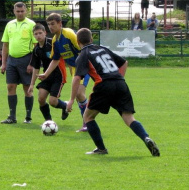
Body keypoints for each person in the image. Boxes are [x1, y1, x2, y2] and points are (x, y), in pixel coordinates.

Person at [66, 28, 160, 156]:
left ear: (77, 41)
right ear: (91, 39)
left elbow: (77, 78)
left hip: (104, 85)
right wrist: (119, 79)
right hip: (120, 83)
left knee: (88, 117)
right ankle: (146, 138)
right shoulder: (103, 49)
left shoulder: (83, 55)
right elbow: (124, 62)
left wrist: (71, 100)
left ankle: (101, 149)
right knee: (129, 117)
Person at [38, 13, 90, 132]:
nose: (50, 27)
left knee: (80, 93)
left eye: (53, 24)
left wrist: (85, 65)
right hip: (75, 68)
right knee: (79, 95)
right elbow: (55, 59)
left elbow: (84, 48)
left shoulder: (69, 34)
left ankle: (88, 123)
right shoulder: (56, 40)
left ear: (60, 24)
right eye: (49, 25)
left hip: (85, 65)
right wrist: (46, 74)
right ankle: (87, 123)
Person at [0, 2, 36, 124]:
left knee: (27, 89)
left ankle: (28, 117)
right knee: (10, 87)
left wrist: (32, 63)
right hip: (11, 60)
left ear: (26, 11)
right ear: (14, 11)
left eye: (22, 11)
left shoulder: (31, 25)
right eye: (18, 11)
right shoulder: (9, 24)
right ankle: (12, 116)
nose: (20, 13)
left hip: (27, 59)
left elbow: (36, 46)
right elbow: (5, 44)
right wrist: (3, 63)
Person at [28, 24, 70, 121]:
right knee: (41, 99)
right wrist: (31, 84)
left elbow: (58, 59)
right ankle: (48, 121)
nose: (38, 35)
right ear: (33, 36)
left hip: (59, 76)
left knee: (53, 101)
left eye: (40, 33)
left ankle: (65, 106)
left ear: (45, 33)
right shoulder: (36, 49)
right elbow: (36, 67)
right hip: (46, 77)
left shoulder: (53, 43)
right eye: (36, 34)